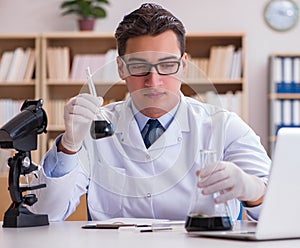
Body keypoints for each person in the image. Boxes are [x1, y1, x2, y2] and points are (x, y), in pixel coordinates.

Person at [31, 3, 271, 221]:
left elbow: (282, 211)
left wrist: (253, 190)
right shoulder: (94, 128)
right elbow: (45, 214)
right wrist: (69, 146)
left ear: (184, 65)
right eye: (138, 66)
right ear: (121, 68)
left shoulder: (225, 126)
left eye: (167, 65)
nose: (153, 81)